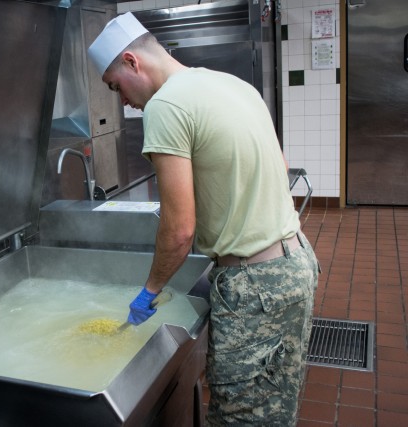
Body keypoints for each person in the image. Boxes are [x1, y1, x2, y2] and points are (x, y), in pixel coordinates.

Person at [87, 12, 320, 426]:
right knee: (275, 410)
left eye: (115, 86)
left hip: (254, 286)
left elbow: (179, 230)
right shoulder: (230, 83)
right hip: (296, 263)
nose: (120, 100)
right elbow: (280, 168)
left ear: (131, 61)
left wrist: (149, 291)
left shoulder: (165, 106)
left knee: (239, 417)